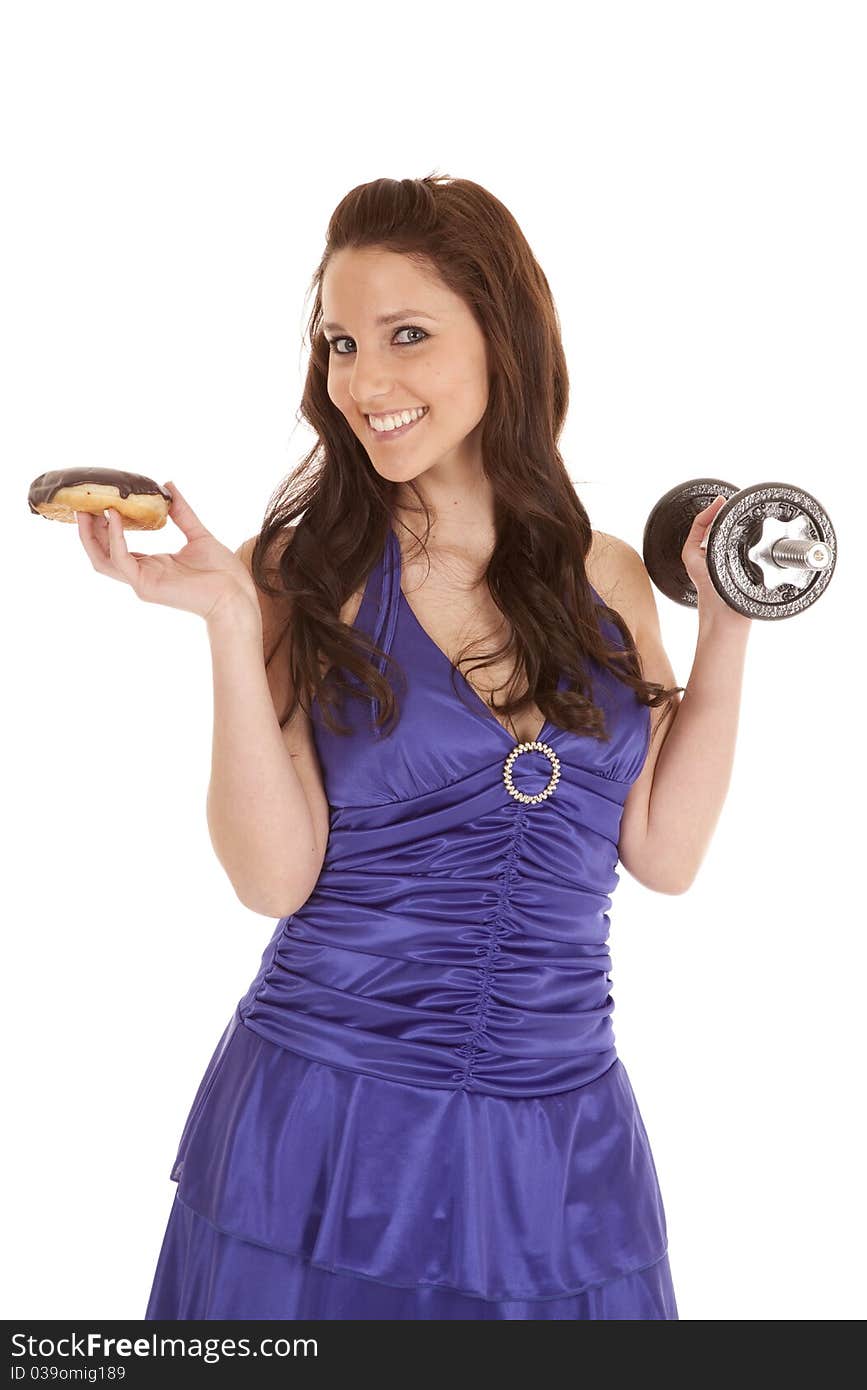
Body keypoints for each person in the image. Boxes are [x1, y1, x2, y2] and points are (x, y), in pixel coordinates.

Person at [76, 174, 751, 1319]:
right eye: (340, 342)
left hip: (564, 1147)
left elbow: (663, 853)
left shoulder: (603, 574)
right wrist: (232, 626)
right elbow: (269, 876)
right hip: (329, 1139)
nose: (363, 382)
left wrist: (728, 618)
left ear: (505, 339)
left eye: (406, 336)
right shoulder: (300, 573)